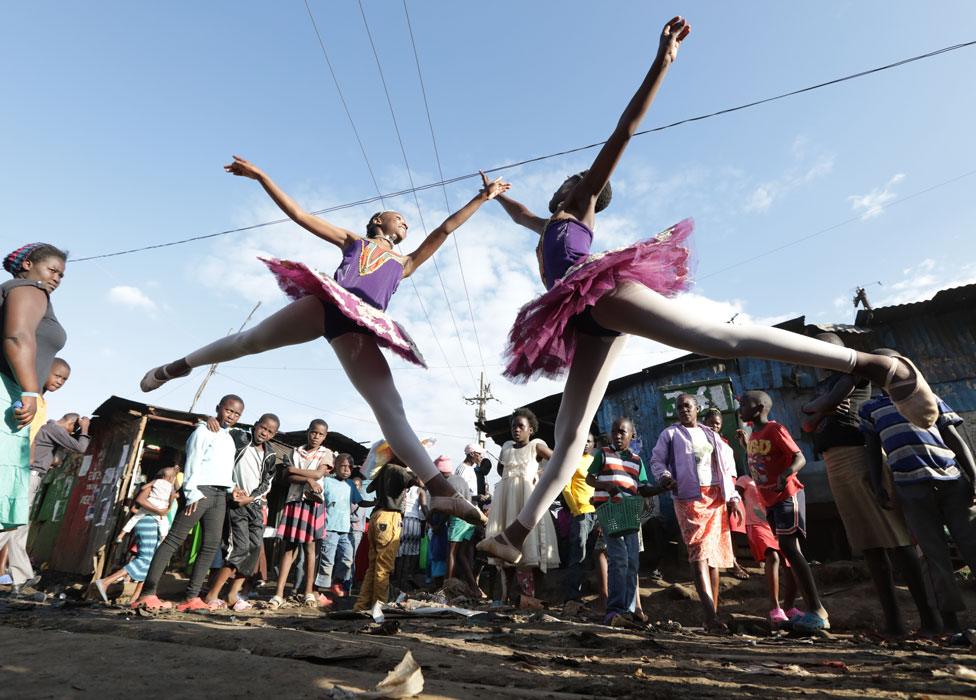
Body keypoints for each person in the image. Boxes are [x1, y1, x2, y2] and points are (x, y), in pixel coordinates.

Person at [479, 16, 939, 570]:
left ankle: (875, 365)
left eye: (582, 183)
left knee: (716, 340)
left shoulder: (579, 209)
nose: (571, 184)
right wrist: (496, 196)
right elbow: (526, 215)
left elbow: (624, 130)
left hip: (598, 288)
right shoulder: (551, 222)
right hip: (580, 316)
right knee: (572, 432)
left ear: (590, 194)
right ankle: (516, 533)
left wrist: (662, 61)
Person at [140, 157, 508, 528]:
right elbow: (300, 215)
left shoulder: (406, 262)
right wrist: (262, 176)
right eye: (399, 217)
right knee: (249, 341)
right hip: (326, 306)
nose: (406, 223)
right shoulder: (354, 241)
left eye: (408, 223)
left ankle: (440, 488)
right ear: (378, 221)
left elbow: (445, 230)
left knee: (391, 408)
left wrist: (483, 198)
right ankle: (178, 366)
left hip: (358, 328)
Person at [805, 335, 940, 636]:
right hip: (834, 464)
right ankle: (894, 624)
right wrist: (819, 408)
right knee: (868, 543)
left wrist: (821, 407)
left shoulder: (855, 372)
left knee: (896, 538)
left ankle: (930, 620)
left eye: (824, 350)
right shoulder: (824, 384)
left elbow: (823, 407)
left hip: (859, 457)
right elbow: (808, 420)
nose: (817, 357)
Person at [860, 355, 976, 633]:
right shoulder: (871, 409)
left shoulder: (928, 397)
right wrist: (878, 486)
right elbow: (873, 451)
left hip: (951, 481)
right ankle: (951, 626)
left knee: (972, 544)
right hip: (910, 489)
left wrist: (973, 475)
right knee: (934, 556)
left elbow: (953, 438)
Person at [133, 394, 243, 611]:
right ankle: (147, 593)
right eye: (228, 410)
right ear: (218, 408)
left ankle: (191, 597)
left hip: (220, 495)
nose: (231, 416)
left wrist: (232, 489)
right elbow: (192, 462)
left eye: (236, 414)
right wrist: (191, 492)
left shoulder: (229, 438)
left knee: (211, 545)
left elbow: (222, 468)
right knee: (174, 540)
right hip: (199, 492)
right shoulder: (203, 431)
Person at [740, 390, 829, 633]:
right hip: (769, 500)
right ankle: (792, 609)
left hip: (787, 494)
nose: (740, 406)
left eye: (744, 403)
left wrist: (785, 474)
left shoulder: (775, 429)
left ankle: (817, 610)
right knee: (788, 551)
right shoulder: (754, 435)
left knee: (790, 548)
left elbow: (799, 458)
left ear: (758, 408)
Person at [650, 395, 740, 631]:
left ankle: (713, 615)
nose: (683, 410)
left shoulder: (711, 435)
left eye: (687, 406)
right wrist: (666, 477)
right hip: (689, 499)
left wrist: (733, 497)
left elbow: (728, 466)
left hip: (715, 498)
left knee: (714, 558)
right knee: (698, 553)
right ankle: (710, 616)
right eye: (679, 407)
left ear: (697, 409)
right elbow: (657, 461)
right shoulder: (670, 434)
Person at [2, 243, 68, 531]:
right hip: (9, 393)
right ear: (28, 264)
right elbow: (17, 337)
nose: (56, 278)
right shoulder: (30, 289)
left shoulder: (15, 290)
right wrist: (31, 391)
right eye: (52, 270)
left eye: (61, 275)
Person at [0, 412, 90, 594]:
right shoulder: (54, 428)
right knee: (12, 525)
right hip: (30, 477)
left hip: (32, 477)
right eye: (74, 430)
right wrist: (85, 428)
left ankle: (20, 578)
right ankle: (21, 577)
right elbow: (81, 447)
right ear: (71, 424)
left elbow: (55, 461)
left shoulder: (49, 431)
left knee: (18, 528)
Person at [586, 417, 663, 625]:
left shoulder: (637, 460)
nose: (618, 436)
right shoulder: (603, 454)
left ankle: (628, 610)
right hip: (610, 512)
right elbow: (589, 478)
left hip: (630, 513)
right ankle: (614, 609)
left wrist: (663, 487)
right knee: (619, 559)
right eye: (615, 431)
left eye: (622, 432)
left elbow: (643, 488)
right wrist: (607, 486)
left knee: (632, 562)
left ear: (632, 435)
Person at [205, 412, 280, 611]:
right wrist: (208, 418)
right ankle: (212, 593)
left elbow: (267, 483)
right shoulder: (239, 436)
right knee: (239, 548)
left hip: (253, 505)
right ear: (255, 425)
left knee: (254, 549)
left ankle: (232, 594)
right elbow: (219, 428)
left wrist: (252, 497)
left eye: (270, 431)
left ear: (274, 435)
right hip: (235, 502)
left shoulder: (270, 454)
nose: (264, 433)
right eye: (263, 428)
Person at [484, 408, 559, 599]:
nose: (516, 430)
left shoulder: (536, 446)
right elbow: (502, 470)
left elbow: (557, 460)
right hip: (506, 501)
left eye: (521, 426)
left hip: (528, 501)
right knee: (505, 548)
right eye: (513, 426)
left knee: (533, 547)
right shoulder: (506, 447)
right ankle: (506, 595)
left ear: (530, 430)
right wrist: (511, 484)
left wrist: (539, 477)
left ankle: (537, 597)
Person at [95, 447, 183, 603]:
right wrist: (158, 510)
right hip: (149, 521)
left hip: (158, 525)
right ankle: (106, 582)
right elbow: (140, 501)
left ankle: (137, 597)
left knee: (152, 561)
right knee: (145, 559)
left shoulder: (171, 490)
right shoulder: (156, 485)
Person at [270, 419, 332, 609]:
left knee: (310, 550)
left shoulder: (326, 453)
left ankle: (308, 592)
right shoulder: (294, 452)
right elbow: (287, 477)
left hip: (313, 503)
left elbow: (318, 475)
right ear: (308, 432)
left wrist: (298, 473)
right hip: (295, 501)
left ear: (324, 436)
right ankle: (279, 593)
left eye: (320, 434)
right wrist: (308, 479)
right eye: (314, 432)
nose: (316, 436)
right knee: (289, 549)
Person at [355, 458, 421, 611]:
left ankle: (362, 605)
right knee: (383, 568)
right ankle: (379, 607)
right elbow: (420, 482)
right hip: (389, 518)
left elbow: (371, 489)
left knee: (373, 567)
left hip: (376, 516)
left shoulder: (384, 469)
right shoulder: (399, 470)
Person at [734, 474, 799, 626]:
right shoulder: (744, 480)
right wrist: (734, 502)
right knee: (773, 556)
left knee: (790, 562)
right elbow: (734, 493)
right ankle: (775, 608)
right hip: (755, 524)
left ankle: (789, 607)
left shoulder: (772, 480)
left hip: (775, 523)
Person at [315, 453, 371, 600]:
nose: (346, 470)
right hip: (329, 527)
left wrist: (374, 503)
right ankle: (322, 590)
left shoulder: (351, 484)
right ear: (336, 466)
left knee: (347, 558)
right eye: (343, 466)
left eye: (349, 467)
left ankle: (337, 584)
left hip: (346, 529)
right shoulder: (327, 481)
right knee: (328, 560)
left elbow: (359, 502)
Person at [702, 408, 750, 581]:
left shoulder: (723, 441)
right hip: (714, 487)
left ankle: (732, 559)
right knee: (717, 525)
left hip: (729, 486)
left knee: (730, 524)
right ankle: (729, 563)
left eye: (718, 423)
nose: (714, 426)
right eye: (711, 422)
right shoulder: (702, 440)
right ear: (704, 421)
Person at [562, 432, 597, 601]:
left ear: (593, 445)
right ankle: (573, 595)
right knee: (579, 554)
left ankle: (591, 593)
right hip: (582, 513)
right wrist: (575, 510)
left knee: (596, 553)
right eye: (583, 441)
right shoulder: (573, 461)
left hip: (598, 512)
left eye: (588, 441)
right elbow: (566, 488)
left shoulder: (595, 461)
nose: (585, 444)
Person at [116, 463, 180, 543]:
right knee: (164, 524)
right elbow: (173, 495)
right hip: (161, 507)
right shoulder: (170, 486)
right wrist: (172, 500)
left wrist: (152, 487)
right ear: (171, 478)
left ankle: (120, 535)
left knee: (134, 519)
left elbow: (143, 487)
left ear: (162, 476)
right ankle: (163, 540)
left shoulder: (157, 481)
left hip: (150, 503)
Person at [28, 357, 71, 460]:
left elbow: (34, 432)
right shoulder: (30, 397)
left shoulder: (43, 402)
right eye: (57, 376)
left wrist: (31, 457)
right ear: (46, 370)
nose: (60, 382)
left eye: (64, 379)